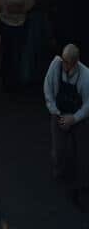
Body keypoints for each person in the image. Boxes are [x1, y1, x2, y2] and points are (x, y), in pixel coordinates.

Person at [44, 43, 89, 207]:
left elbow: (87, 105)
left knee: (82, 151)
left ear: (75, 63)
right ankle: (60, 172)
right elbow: (48, 90)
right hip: (59, 113)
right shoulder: (55, 66)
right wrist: (56, 113)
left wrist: (74, 119)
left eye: (67, 62)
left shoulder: (86, 76)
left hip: (77, 116)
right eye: (63, 60)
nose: (63, 64)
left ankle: (82, 182)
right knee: (58, 150)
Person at [0, 0, 35, 92]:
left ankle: (5, 79)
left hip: (7, 24)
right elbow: (30, 4)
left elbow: (0, 4)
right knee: (17, 53)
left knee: (7, 53)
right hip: (20, 25)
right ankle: (15, 79)